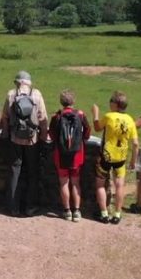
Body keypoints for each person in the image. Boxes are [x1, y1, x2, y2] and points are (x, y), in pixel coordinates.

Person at [2, 70, 48, 217]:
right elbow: (43, 118)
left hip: (15, 138)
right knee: (32, 172)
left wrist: (5, 134)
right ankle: (30, 207)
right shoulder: (37, 94)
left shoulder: (11, 94)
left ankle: (13, 207)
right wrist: (43, 137)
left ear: (19, 82)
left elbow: (5, 117)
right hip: (32, 139)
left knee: (14, 171)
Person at [92, 91, 139, 224]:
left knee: (100, 185)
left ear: (116, 105)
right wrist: (133, 160)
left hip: (106, 156)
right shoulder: (130, 120)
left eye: (111, 101)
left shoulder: (109, 116)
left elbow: (97, 128)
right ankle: (117, 214)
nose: (109, 103)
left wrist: (95, 114)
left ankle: (104, 214)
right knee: (119, 186)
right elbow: (136, 143)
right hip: (121, 158)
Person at [48, 89, 91, 222]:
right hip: (77, 154)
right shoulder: (80, 115)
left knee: (64, 182)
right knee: (76, 182)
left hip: (60, 154)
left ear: (61, 102)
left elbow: (52, 135)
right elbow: (87, 132)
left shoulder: (56, 117)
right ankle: (77, 211)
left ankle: (67, 211)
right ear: (73, 101)